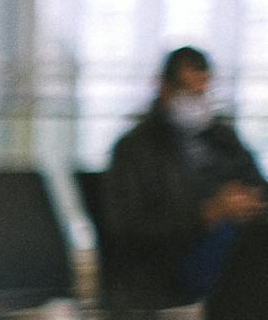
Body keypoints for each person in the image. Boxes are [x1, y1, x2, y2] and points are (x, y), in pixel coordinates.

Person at [103, 44, 265, 306]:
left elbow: (257, 185)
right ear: (165, 89)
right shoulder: (135, 149)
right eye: (190, 93)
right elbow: (129, 231)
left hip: (236, 246)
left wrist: (249, 202)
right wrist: (207, 214)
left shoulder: (222, 138)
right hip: (170, 263)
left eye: (203, 94)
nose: (198, 102)